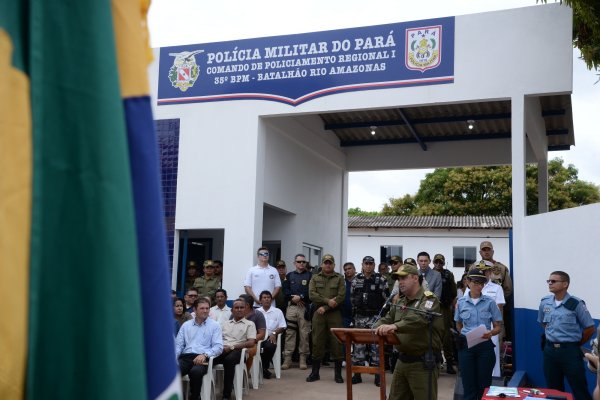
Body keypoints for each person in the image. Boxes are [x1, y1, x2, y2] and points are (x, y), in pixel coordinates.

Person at [374, 264, 444, 400]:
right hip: (402, 360)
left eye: (403, 278)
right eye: (398, 279)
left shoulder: (429, 299)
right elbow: (387, 318)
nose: (400, 282)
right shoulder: (400, 301)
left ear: (415, 278)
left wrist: (394, 326)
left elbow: (420, 318)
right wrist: (375, 328)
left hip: (422, 363)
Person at [538, 270, 595, 400]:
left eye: (554, 281)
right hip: (550, 351)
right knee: (553, 390)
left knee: (579, 387)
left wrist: (576, 343)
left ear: (565, 284)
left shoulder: (576, 304)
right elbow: (543, 323)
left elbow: (589, 328)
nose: (550, 283)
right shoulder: (545, 302)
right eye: (549, 281)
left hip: (570, 352)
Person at [455, 268, 503, 400]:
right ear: (468, 282)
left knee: (484, 385)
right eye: (476, 282)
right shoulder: (461, 303)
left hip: (485, 347)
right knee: (468, 385)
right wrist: (465, 335)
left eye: (482, 283)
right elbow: (458, 323)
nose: (479, 286)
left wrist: (491, 332)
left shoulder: (490, 302)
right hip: (466, 347)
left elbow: (498, 326)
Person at [306, 254, 345, 384]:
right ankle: (315, 373)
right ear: (322, 264)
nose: (328, 265)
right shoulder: (315, 278)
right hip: (319, 313)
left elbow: (341, 296)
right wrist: (327, 301)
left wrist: (326, 307)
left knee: (337, 342)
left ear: (333, 265)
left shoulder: (339, 278)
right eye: (325, 262)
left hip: (334, 313)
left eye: (330, 263)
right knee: (317, 341)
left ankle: (338, 374)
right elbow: (312, 295)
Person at [175, 298, 223, 400]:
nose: (205, 311)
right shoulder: (186, 325)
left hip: (203, 358)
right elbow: (178, 345)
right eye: (202, 308)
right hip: (186, 357)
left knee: (195, 372)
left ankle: (195, 397)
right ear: (195, 310)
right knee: (173, 370)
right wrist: (174, 359)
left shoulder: (215, 325)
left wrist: (205, 355)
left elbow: (218, 347)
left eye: (207, 308)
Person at [350, 255, 388, 386]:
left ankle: (377, 376)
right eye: (366, 263)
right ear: (362, 264)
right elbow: (352, 297)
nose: (368, 266)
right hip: (359, 317)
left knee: (376, 347)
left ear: (373, 265)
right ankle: (357, 374)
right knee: (358, 346)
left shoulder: (381, 280)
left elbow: (386, 300)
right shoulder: (356, 279)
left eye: (370, 264)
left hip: (375, 318)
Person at [465, 260, 506, 377]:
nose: (482, 272)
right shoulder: (469, 288)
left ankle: (494, 379)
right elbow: (463, 306)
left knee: (492, 354)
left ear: (490, 272)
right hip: (472, 327)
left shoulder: (497, 288)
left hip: (490, 328)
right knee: (473, 356)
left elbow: (498, 308)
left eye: (485, 270)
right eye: (480, 270)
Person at [213, 298, 256, 400]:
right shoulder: (225, 324)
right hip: (223, 350)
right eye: (236, 308)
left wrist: (232, 347)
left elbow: (251, 342)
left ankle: (226, 395)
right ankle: (202, 391)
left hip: (240, 352)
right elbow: (217, 339)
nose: (239, 310)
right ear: (232, 310)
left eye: (242, 307)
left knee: (229, 360)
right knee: (208, 360)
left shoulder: (250, 324)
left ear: (245, 310)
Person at [282, 253, 312, 370]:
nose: (301, 264)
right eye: (299, 262)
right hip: (292, 307)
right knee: (290, 333)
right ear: (294, 263)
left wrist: (301, 297)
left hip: (304, 307)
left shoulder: (310, 276)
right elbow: (285, 290)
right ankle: (287, 359)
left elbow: (311, 292)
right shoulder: (289, 276)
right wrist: (292, 297)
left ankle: (303, 358)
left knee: (304, 334)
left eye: (303, 262)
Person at [432, 253, 458, 374]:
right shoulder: (429, 274)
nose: (438, 264)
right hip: (432, 307)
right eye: (436, 262)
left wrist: (453, 306)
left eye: (440, 262)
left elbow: (453, 291)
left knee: (447, 336)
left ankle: (449, 362)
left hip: (445, 308)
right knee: (433, 334)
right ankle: (436, 362)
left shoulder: (448, 274)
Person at [257, 290, 287, 379]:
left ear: (271, 299)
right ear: (260, 300)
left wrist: (274, 333)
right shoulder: (257, 312)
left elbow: (283, 326)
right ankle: (263, 370)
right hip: (258, 338)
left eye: (268, 297)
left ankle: (263, 368)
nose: (267, 299)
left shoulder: (278, 311)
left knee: (270, 346)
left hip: (271, 337)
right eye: (264, 298)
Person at [238, 294, 266, 372]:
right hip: (235, 340)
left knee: (249, 351)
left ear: (247, 305)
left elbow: (262, 334)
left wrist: (249, 340)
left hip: (252, 343)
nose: (237, 302)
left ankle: (244, 374)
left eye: (240, 301)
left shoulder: (258, 314)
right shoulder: (235, 313)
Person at [341, 262, 356, 329]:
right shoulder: (342, 283)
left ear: (354, 269)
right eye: (345, 269)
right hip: (344, 316)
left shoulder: (360, 281)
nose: (347, 271)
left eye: (349, 268)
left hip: (357, 315)